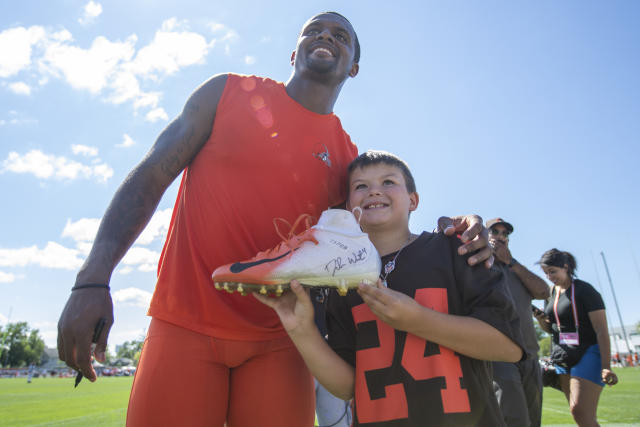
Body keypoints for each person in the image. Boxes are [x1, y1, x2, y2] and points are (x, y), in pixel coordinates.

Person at [56, 13, 492, 427]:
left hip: (281, 337)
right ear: (293, 52)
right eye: (314, 31)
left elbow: (378, 242)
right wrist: (92, 279)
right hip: (183, 320)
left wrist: (457, 229)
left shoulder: (346, 160)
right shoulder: (225, 93)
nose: (326, 37)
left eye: (340, 36)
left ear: (354, 67)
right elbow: (152, 173)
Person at [256, 150, 525, 426]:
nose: (374, 191)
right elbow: (348, 386)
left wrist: (419, 321)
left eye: (388, 182)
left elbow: (509, 347)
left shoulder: (455, 248)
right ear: (349, 208)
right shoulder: (341, 276)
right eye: (361, 186)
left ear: (413, 200)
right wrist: (301, 330)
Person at [535, 248, 618, 427]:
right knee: (577, 413)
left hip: (588, 351)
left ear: (566, 267)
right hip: (562, 355)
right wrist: (541, 320)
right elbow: (551, 329)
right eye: (546, 273)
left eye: (553, 271)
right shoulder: (551, 293)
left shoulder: (585, 290)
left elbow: (601, 330)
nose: (549, 276)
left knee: (580, 411)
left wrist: (606, 366)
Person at [486, 218, 550, 427]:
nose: (500, 236)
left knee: (533, 420)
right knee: (513, 419)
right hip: (500, 355)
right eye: (495, 231)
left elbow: (543, 291)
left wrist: (511, 262)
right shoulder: (479, 266)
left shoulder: (516, 270)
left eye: (505, 233)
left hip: (530, 355)